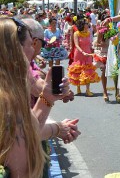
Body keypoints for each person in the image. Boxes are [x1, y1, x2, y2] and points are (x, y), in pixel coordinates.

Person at [0, 17, 75, 177]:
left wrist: (47, 95)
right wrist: (57, 128)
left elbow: (27, 130)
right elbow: (22, 169)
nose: (33, 51)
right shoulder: (7, 100)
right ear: (15, 51)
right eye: (29, 45)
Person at [68, 19, 101, 96]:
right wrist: (82, 52)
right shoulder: (76, 33)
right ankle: (78, 87)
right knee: (78, 70)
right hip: (79, 53)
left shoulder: (89, 33)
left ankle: (88, 90)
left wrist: (93, 49)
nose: (87, 24)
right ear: (82, 25)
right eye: (86, 23)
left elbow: (90, 43)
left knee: (88, 70)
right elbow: (76, 45)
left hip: (88, 53)